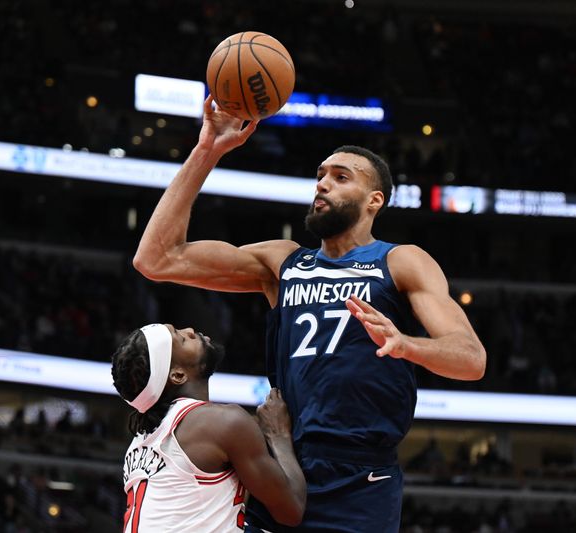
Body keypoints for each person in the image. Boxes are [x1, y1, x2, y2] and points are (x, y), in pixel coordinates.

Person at [133, 96, 487, 532]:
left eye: (341, 177)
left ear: (374, 200)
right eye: (320, 175)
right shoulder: (283, 263)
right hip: (281, 462)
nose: (322, 184)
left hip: (362, 477)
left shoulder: (400, 262)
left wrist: (406, 345)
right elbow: (157, 258)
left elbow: (471, 359)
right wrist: (208, 148)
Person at [111, 323, 306, 532]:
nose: (190, 330)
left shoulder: (137, 445)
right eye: (182, 339)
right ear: (177, 375)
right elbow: (291, 510)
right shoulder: (223, 423)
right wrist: (279, 437)